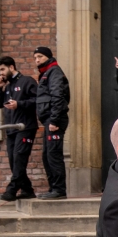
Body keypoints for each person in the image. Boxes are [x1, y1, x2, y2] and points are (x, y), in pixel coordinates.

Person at [0, 56, 38, 201]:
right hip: (11, 129)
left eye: (2, 69)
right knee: (14, 161)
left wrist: (19, 104)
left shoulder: (27, 81)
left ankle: (11, 191)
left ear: (11, 67)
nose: (1, 73)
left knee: (19, 159)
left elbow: (37, 100)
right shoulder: (8, 86)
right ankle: (27, 189)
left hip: (25, 127)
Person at [33, 46, 70, 200]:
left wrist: (54, 120)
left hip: (54, 120)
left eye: (40, 56)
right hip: (49, 119)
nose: (37, 60)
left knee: (53, 154)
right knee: (46, 155)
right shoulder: (46, 73)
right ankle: (53, 188)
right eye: (35, 58)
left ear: (48, 57)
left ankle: (59, 190)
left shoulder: (54, 72)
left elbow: (57, 96)